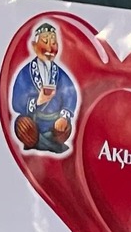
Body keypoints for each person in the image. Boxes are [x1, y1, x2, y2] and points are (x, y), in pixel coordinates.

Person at [8, 19, 81, 155]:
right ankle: (44, 142)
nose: (50, 48)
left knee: (64, 128)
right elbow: (16, 103)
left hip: (54, 122)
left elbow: (70, 95)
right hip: (33, 121)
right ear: (34, 46)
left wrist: (64, 116)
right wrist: (37, 101)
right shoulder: (25, 73)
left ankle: (46, 140)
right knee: (23, 125)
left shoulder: (60, 74)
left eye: (53, 43)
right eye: (45, 42)